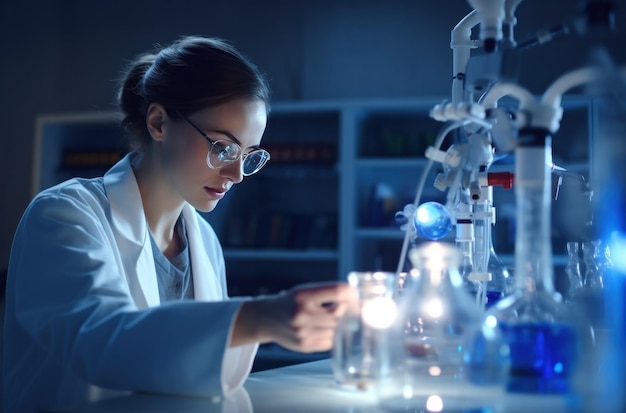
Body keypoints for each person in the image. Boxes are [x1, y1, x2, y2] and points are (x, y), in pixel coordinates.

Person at [2, 35, 352, 413]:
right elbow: (101, 341)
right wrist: (257, 317)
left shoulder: (203, 240)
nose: (237, 174)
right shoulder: (63, 216)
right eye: (223, 148)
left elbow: (194, 375)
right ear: (158, 123)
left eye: (249, 155)